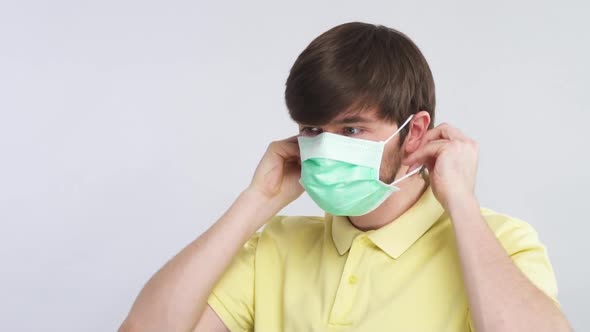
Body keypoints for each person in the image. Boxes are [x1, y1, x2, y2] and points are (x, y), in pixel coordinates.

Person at [119, 22, 571, 332]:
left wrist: (462, 205)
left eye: (352, 129)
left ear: (413, 132)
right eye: (313, 129)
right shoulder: (274, 247)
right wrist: (256, 201)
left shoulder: (500, 242)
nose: (327, 146)